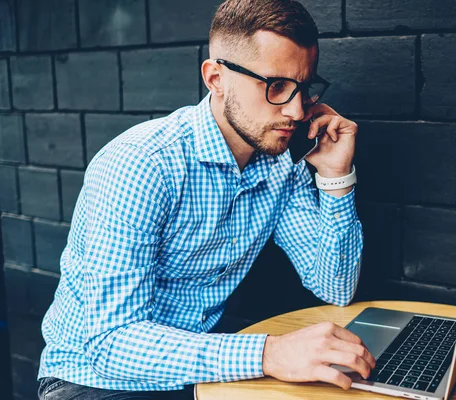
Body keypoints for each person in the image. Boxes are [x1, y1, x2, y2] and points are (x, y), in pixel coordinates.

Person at [37, 0, 375, 398]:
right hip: (94, 381)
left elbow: (334, 287)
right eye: (277, 86)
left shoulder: (280, 163)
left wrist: (336, 177)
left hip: (199, 372)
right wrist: (270, 353)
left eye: (304, 87)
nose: (297, 110)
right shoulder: (143, 165)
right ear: (215, 77)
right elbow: (108, 342)